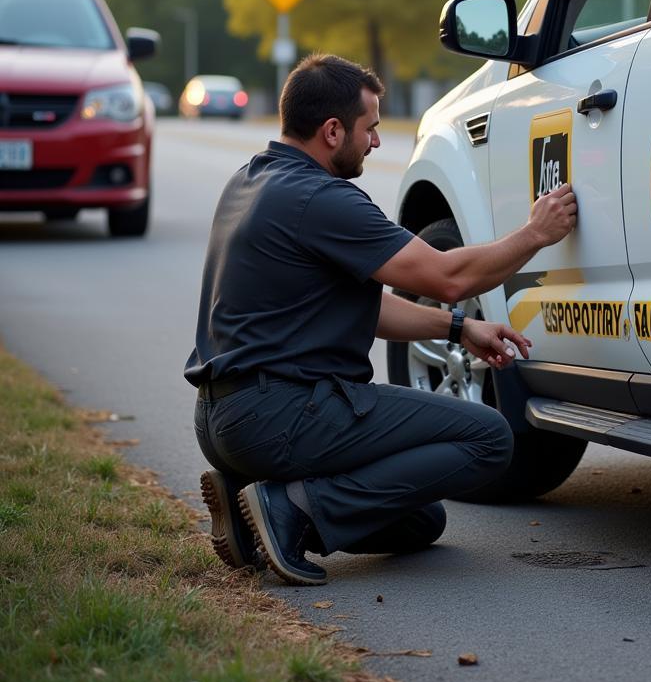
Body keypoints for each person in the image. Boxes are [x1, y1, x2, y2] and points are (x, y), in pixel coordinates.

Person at [185, 53, 577, 585]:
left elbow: (357, 307)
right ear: (331, 130)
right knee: (488, 438)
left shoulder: (251, 180)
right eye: (369, 128)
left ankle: (250, 501)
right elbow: (449, 277)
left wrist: (459, 329)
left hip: (223, 422)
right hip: (279, 415)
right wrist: (535, 233)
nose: (375, 141)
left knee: (419, 521)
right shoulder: (321, 199)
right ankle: (289, 512)